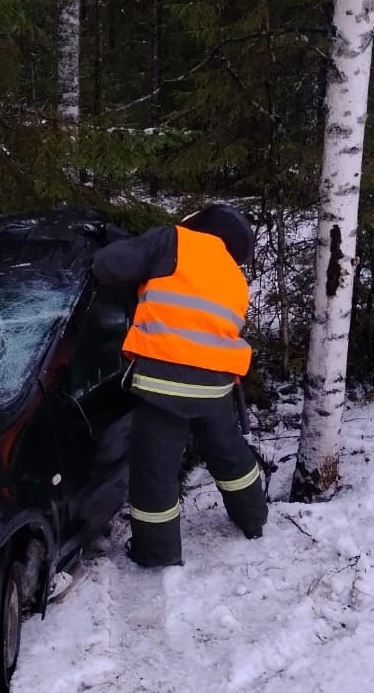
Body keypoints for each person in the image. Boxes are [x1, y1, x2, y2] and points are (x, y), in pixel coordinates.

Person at [92, 203, 267, 569]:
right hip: (216, 385)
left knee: (154, 467)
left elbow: (108, 267)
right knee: (229, 453)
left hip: (165, 380)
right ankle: (253, 518)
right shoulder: (235, 278)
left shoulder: (173, 239)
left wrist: (111, 246)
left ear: (199, 223)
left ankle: (157, 553)